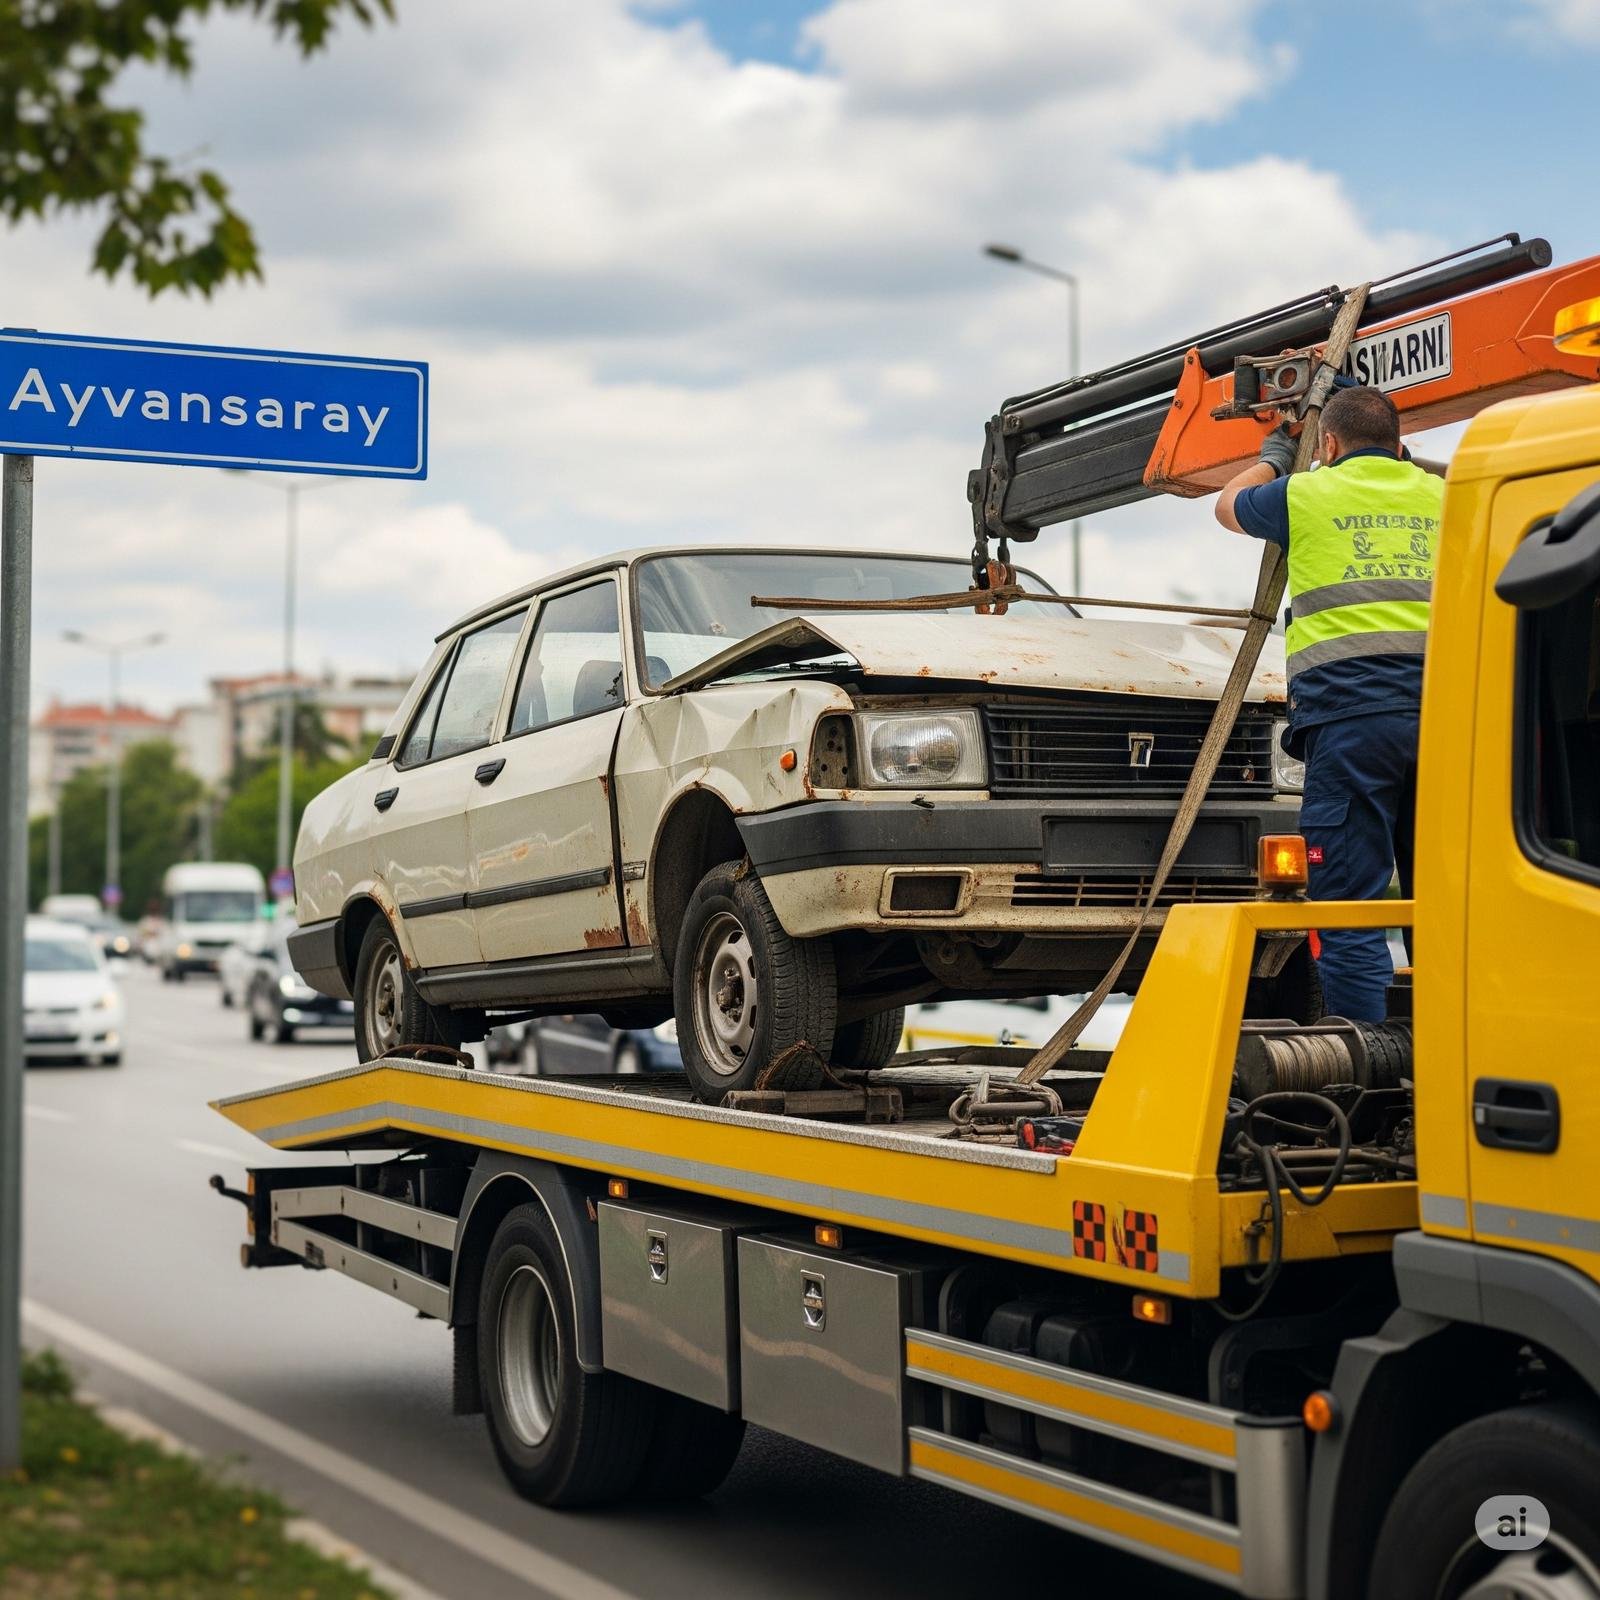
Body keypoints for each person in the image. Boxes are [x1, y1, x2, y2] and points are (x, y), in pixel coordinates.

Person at [1214, 384, 1443, 1021]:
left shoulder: (1305, 493)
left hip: (1351, 725)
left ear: (1331, 444)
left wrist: (1274, 457)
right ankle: (1452, 1051)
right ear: (1399, 446)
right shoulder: (1445, 496)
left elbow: (1227, 506)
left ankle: (1366, 1062)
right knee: (1448, 910)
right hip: (1449, 725)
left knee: (1348, 910)